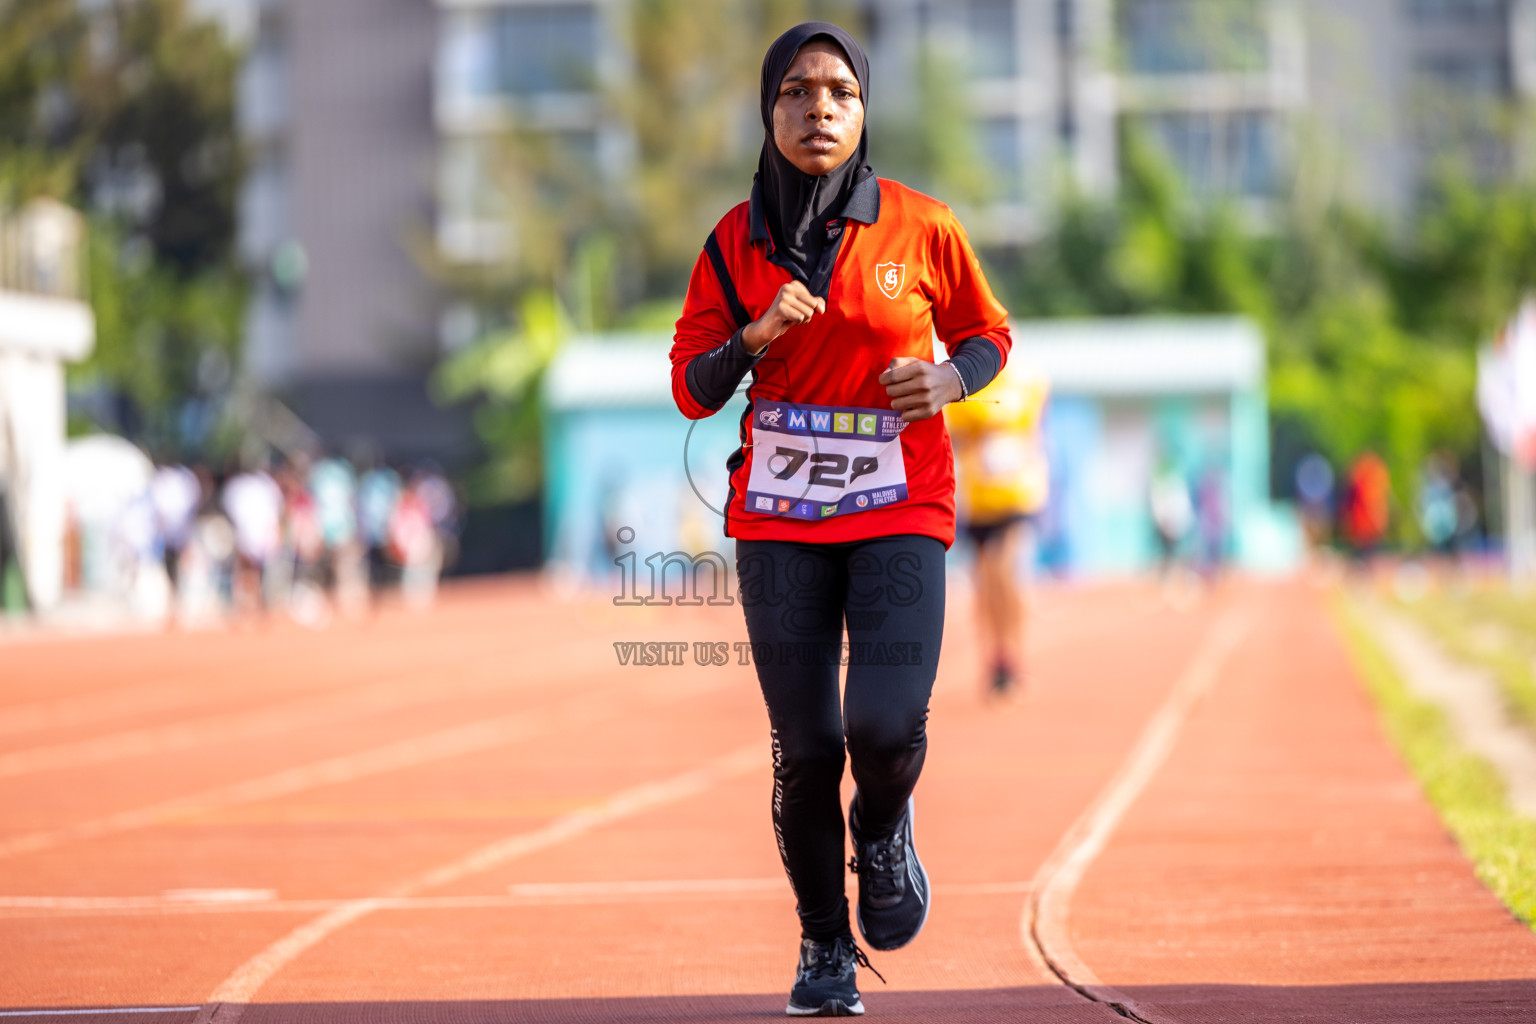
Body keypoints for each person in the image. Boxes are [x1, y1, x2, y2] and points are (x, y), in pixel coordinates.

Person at [669, 23, 1013, 1017]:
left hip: (903, 501)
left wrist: (946, 376)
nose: (818, 107)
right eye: (796, 91)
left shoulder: (920, 224)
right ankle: (825, 945)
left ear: (864, 114)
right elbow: (693, 389)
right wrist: (756, 333)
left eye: (839, 92)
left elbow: (988, 335)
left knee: (883, 723)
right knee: (807, 746)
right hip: (777, 517)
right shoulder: (731, 243)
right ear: (768, 111)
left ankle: (888, 822)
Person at [944, 357, 1049, 696]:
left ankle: (1014, 655)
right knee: (986, 584)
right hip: (977, 500)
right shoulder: (965, 388)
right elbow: (953, 430)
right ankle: (996, 661)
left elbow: (1033, 429)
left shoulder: (1027, 385)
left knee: (1006, 571)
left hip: (1016, 498)